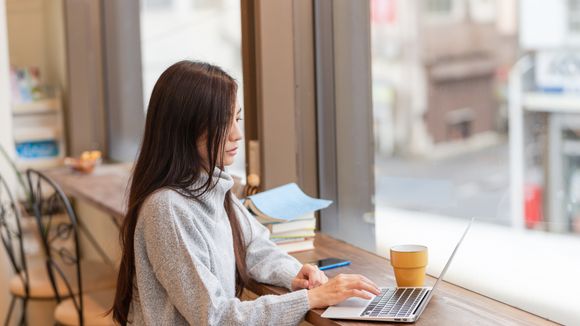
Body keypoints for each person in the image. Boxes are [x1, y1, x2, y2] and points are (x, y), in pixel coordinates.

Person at [110, 60, 380, 325]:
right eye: (223, 122)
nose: (237, 134)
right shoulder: (167, 208)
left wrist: (296, 273)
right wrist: (310, 299)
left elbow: (255, 246)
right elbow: (213, 317)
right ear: (185, 128)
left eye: (237, 118)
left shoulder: (212, 186)